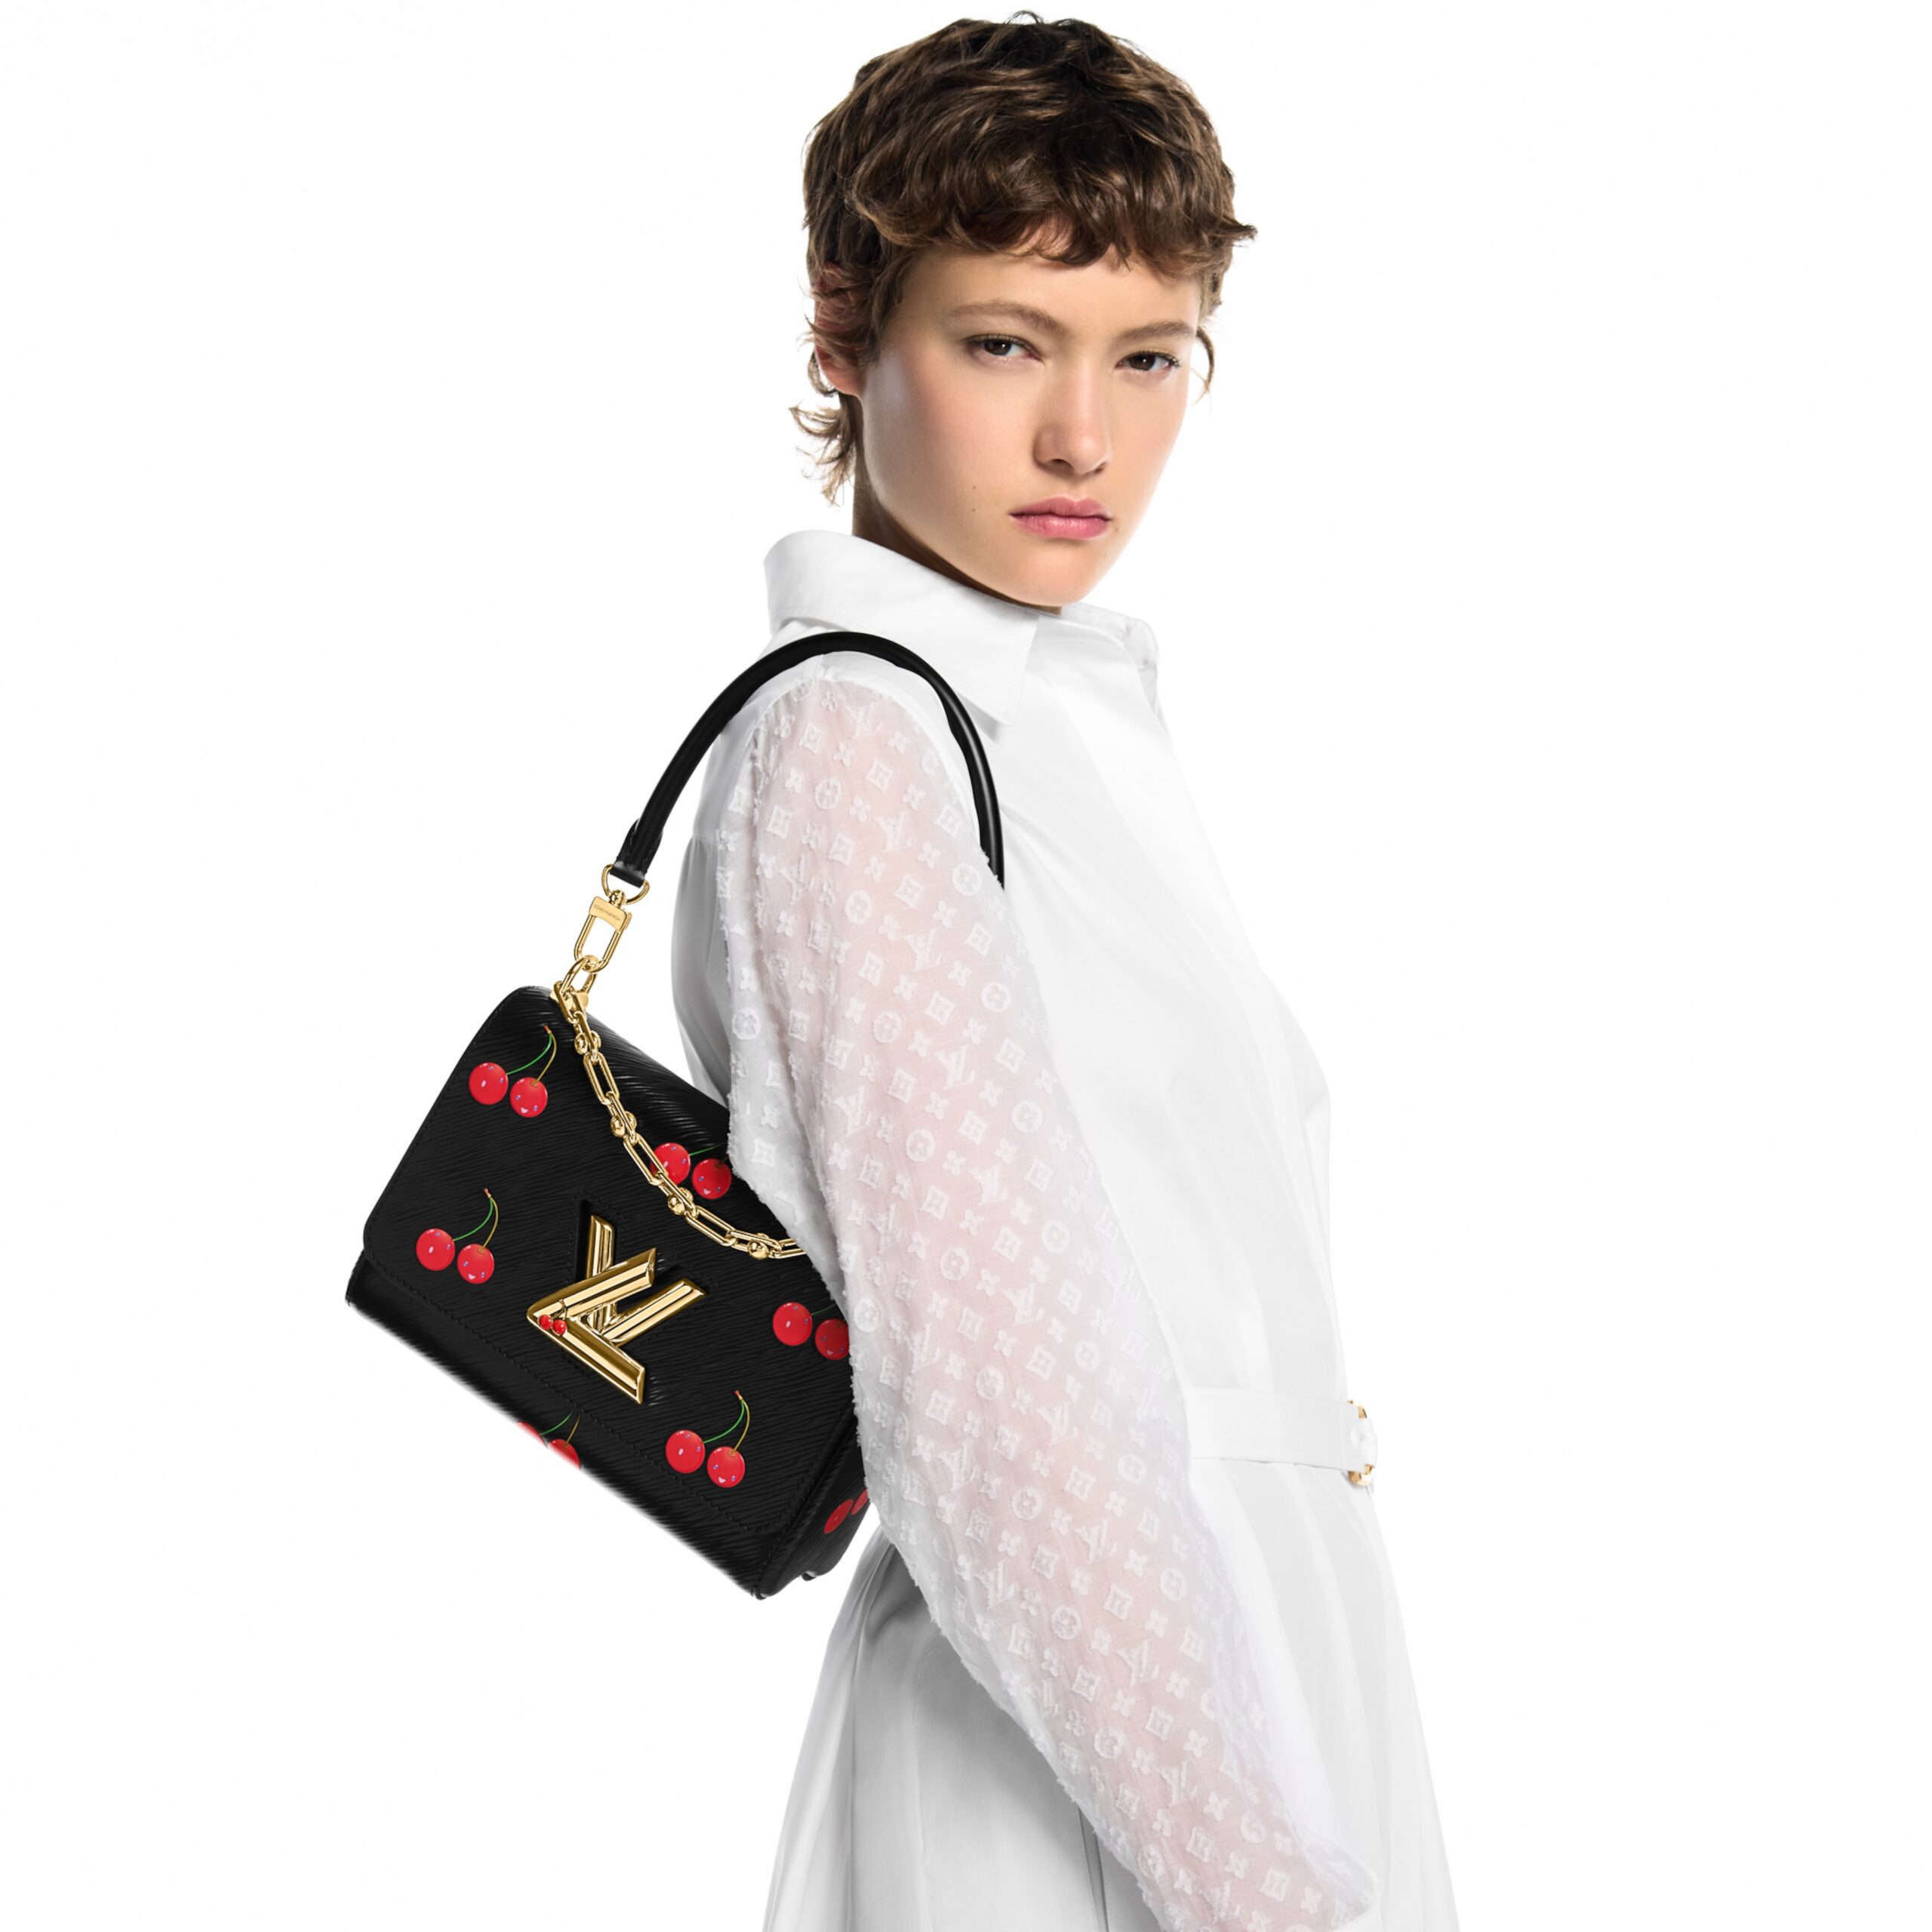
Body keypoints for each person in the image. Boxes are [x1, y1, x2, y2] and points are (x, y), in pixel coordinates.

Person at [669, 15, 1459, 1930]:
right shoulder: (858, 745)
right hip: (1091, 1757)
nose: (1083, 442)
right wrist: (1263, 1892)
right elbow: (998, 1409)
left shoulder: (1039, 722)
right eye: (1004, 342)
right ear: (845, 327)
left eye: (1148, 356)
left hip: (1239, 1685)